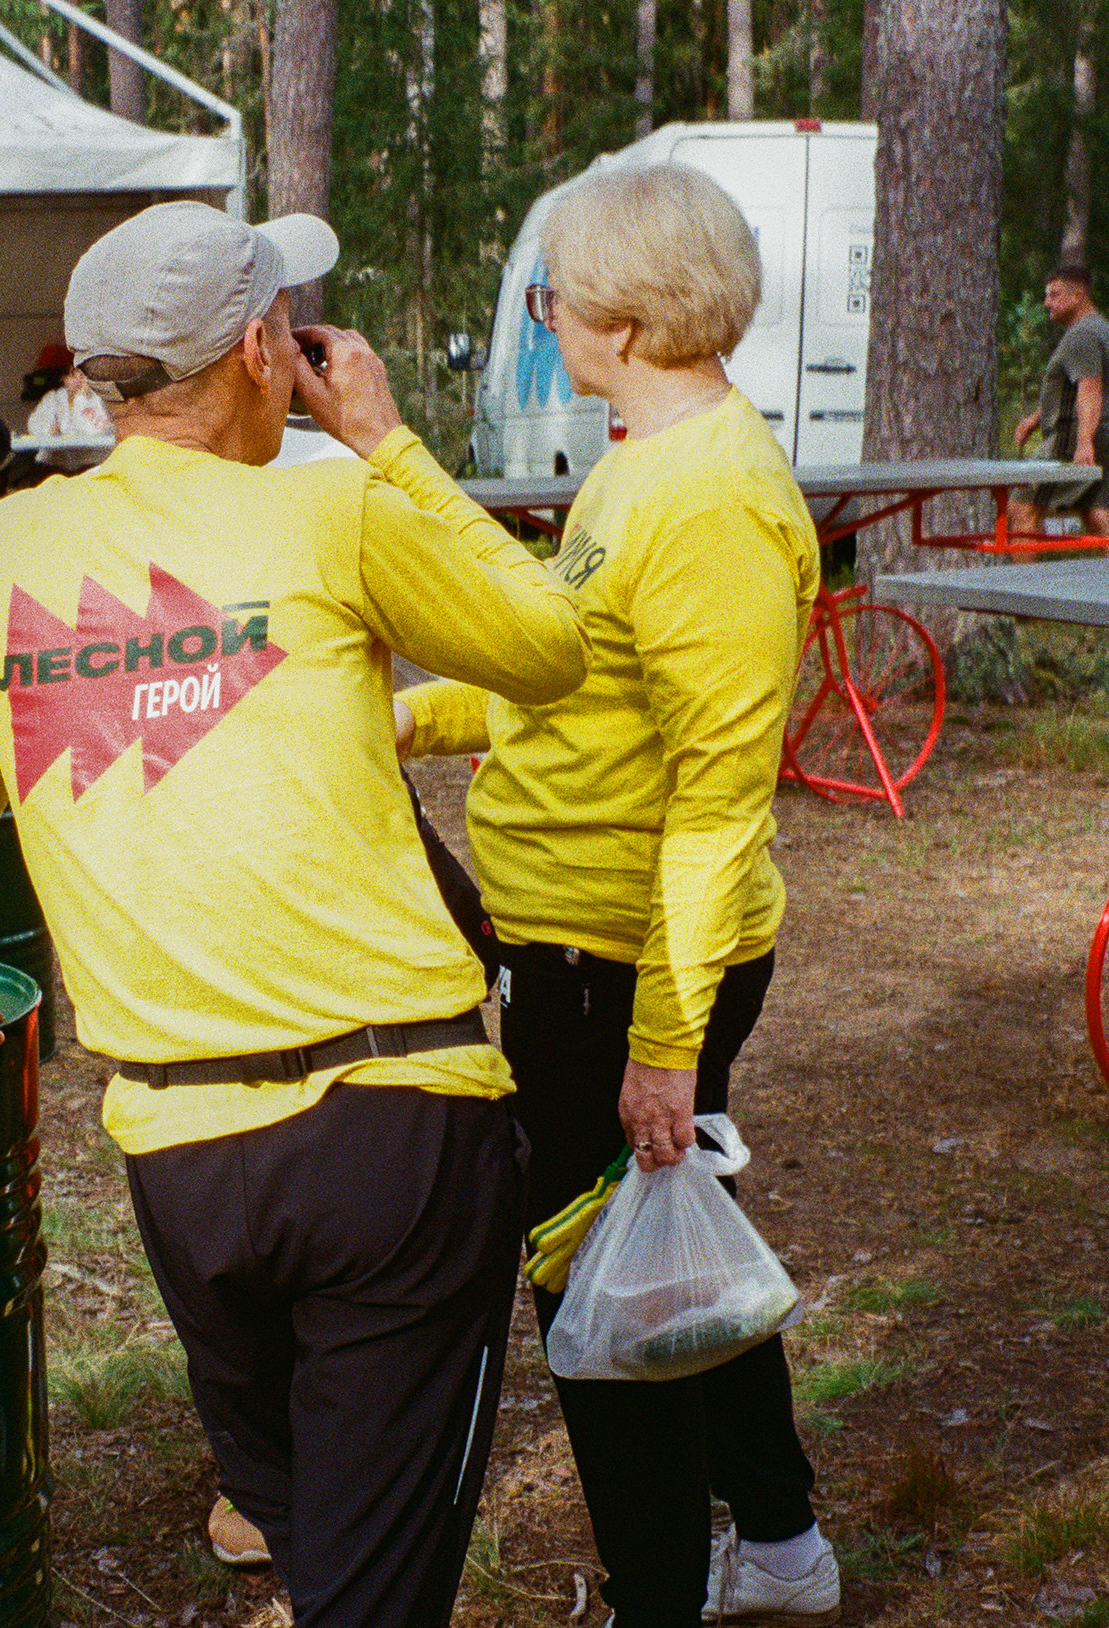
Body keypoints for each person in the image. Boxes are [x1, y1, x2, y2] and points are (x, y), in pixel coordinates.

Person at [0, 199, 588, 1624]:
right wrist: (385, 441)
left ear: (99, 379)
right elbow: (548, 644)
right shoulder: (331, 508)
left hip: (182, 1158)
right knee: (366, 1578)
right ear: (265, 352)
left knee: (314, 1540)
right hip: (398, 1133)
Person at [397, 162, 833, 1628]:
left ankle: (659, 1596)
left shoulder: (707, 501)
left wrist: (662, 1042)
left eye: (552, 299)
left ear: (627, 323)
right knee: (672, 1245)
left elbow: (716, 800)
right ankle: (779, 1544)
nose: (547, 319)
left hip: (618, 967)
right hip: (593, 957)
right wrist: (416, 716)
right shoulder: (642, 462)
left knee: (601, 1297)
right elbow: (568, 679)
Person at [1008, 264, 1109, 539]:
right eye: (1046, 296)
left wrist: (1084, 441)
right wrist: (1035, 419)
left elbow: (1090, 388)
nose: (1046, 303)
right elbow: (1072, 390)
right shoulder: (1100, 328)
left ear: (1078, 296)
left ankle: (1022, 572)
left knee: (1021, 509)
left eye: (1054, 295)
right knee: (1098, 515)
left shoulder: (1082, 336)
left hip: (1071, 440)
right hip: (1101, 436)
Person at [25, 362, 114, 476]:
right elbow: (34, 426)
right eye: (73, 376)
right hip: (56, 463)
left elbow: (91, 432)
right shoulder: (54, 397)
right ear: (64, 379)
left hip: (92, 461)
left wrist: (81, 397)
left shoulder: (98, 398)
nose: (78, 380)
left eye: (82, 376)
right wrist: (48, 430)